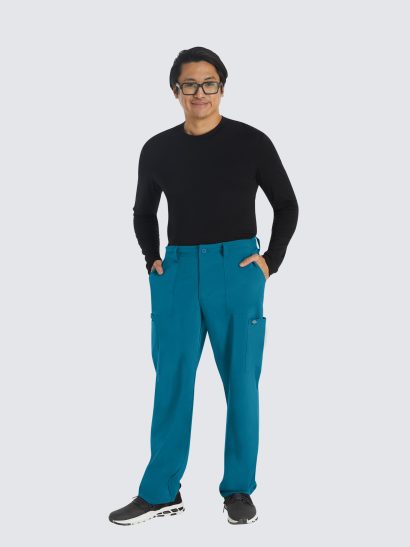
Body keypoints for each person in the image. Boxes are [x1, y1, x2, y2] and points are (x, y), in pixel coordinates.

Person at [109, 46, 299, 526]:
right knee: (171, 382)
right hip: (176, 272)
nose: (200, 92)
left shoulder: (251, 142)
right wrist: (152, 259)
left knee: (241, 383)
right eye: (190, 84)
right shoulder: (157, 148)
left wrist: (270, 262)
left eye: (209, 83)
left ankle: (238, 489)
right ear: (175, 91)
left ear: (222, 88)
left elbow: (287, 204)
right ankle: (160, 492)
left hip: (237, 270)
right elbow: (143, 211)